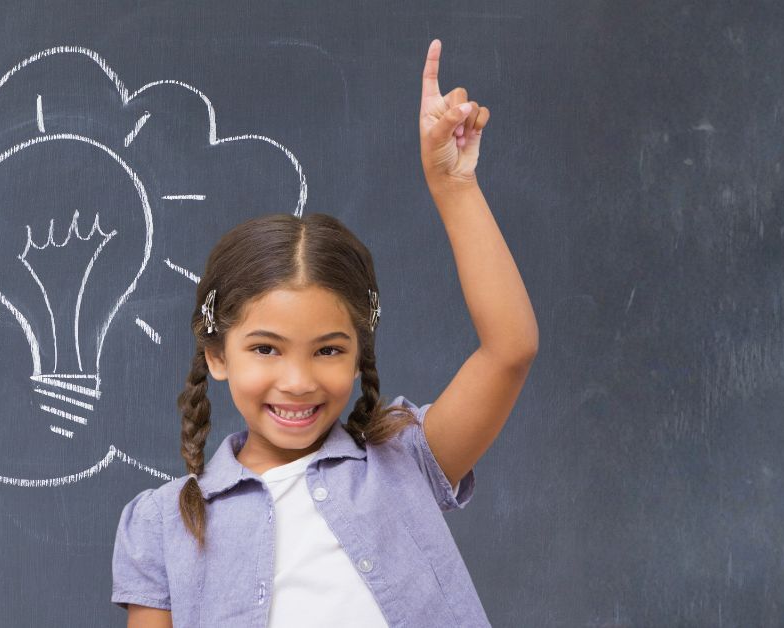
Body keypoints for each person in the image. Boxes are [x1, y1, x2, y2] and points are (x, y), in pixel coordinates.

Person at [112, 39, 538, 627]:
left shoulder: (404, 461)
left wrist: (454, 185)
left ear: (359, 352)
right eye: (266, 348)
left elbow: (511, 350)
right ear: (216, 354)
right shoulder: (162, 524)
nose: (298, 380)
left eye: (329, 350)